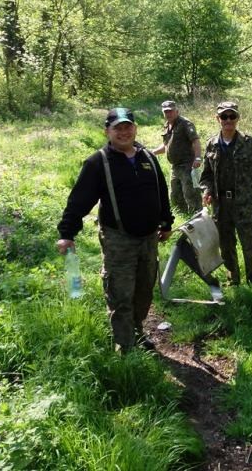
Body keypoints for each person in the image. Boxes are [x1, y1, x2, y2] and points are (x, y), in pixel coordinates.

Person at [56, 108, 173, 354]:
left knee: (144, 289)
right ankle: (125, 347)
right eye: (117, 128)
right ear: (107, 131)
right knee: (120, 293)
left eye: (127, 126)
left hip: (149, 238)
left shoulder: (148, 157)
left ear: (135, 128)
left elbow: (160, 191)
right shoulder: (98, 162)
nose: (123, 132)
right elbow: (78, 201)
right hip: (119, 239)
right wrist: (67, 233)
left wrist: (166, 222)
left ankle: (137, 331)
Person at [199, 101, 252, 287]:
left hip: (244, 204)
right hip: (221, 205)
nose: (228, 120)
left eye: (232, 116)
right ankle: (233, 279)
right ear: (217, 119)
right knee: (226, 246)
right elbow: (206, 175)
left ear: (237, 118)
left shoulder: (249, 143)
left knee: (251, 247)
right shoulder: (212, 144)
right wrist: (207, 190)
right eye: (224, 117)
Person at [152, 100, 202, 215]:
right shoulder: (167, 125)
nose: (168, 114)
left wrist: (198, 158)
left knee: (191, 194)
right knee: (175, 196)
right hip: (175, 167)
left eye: (170, 111)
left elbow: (195, 141)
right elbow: (165, 146)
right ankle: (183, 219)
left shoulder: (185, 124)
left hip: (188, 165)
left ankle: (198, 219)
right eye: (166, 112)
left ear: (176, 111)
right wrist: (151, 152)